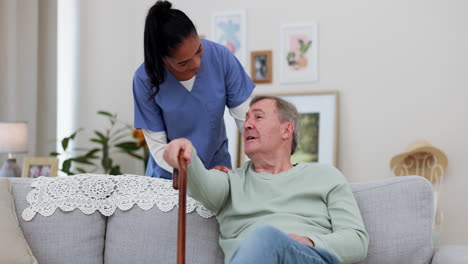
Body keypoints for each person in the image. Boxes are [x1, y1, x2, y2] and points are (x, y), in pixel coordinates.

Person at [163, 95, 369, 264]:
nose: (247, 125)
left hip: (307, 258)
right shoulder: (230, 181)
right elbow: (201, 182)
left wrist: (307, 242)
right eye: (247, 119)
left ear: (286, 130)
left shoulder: (326, 176)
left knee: (266, 238)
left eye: (258, 117)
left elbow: (356, 240)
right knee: (265, 239)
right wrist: (181, 148)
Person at [133, 0, 255, 179]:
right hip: (170, 177)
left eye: (199, 50)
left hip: (218, 171)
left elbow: (248, 122)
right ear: (162, 59)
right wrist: (199, 175)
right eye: (183, 63)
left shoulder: (220, 57)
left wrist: (264, 163)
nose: (197, 64)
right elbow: (159, 147)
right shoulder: (145, 80)